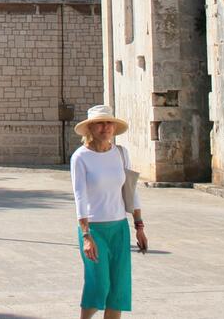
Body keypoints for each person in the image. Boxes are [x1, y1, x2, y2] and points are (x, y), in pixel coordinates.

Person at [71, 104, 146, 319]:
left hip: (119, 228)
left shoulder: (121, 153)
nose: (105, 127)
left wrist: (139, 226)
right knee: (99, 285)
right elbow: (80, 197)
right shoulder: (80, 157)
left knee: (118, 290)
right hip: (94, 230)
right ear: (90, 129)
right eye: (100, 124)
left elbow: (131, 191)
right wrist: (86, 236)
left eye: (108, 122)